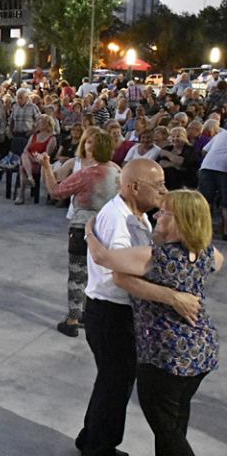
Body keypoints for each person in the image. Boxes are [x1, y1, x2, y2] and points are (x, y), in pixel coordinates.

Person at [75, 159, 200, 456]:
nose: (163, 192)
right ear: (133, 187)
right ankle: (100, 447)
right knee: (115, 384)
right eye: (157, 186)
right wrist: (172, 296)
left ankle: (91, 437)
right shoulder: (119, 219)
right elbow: (121, 275)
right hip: (111, 314)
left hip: (120, 313)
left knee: (112, 381)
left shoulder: (140, 215)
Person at [38, 130, 120, 337]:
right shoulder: (118, 172)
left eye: (89, 143)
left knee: (77, 275)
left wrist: (46, 166)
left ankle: (73, 319)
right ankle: (88, 314)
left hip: (82, 228)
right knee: (99, 276)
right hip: (108, 230)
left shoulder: (86, 174)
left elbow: (56, 192)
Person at [14, 114, 57, 205]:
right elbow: (26, 149)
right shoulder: (34, 136)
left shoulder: (52, 138)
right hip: (29, 160)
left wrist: (35, 158)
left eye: (40, 121)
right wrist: (31, 157)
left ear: (46, 124)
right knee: (24, 156)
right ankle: (29, 177)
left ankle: (21, 195)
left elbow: (46, 154)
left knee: (22, 167)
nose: (37, 123)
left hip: (40, 163)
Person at [199, 127, 227, 240]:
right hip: (224, 170)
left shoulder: (220, 135)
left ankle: (202, 230)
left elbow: (204, 151)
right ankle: (226, 233)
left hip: (207, 167)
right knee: (226, 204)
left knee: (205, 201)